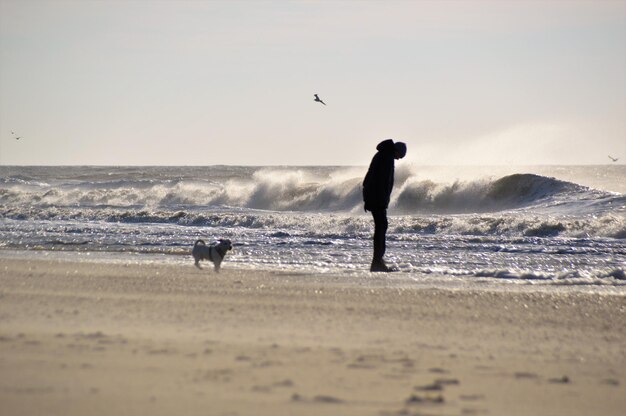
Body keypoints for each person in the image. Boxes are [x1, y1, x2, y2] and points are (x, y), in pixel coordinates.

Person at [362, 139, 407, 272]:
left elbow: (371, 178)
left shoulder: (384, 155)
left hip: (376, 198)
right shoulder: (386, 158)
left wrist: (368, 198)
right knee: (381, 227)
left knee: (382, 227)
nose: (398, 159)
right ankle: (377, 262)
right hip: (377, 199)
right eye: (400, 156)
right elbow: (378, 181)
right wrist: (373, 200)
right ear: (396, 150)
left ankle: (378, 261)